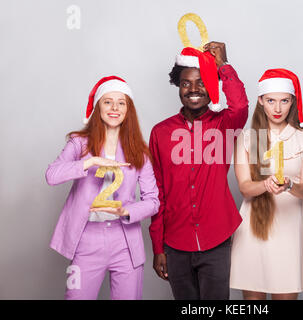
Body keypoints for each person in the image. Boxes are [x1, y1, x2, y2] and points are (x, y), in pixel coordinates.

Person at [149, 42, 249, 299]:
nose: (193, 89)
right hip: (175, 243)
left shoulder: (225, 123)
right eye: (186, 84)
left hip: (216, 239)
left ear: (212, 86)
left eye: (202, 81)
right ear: (178, 87)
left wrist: (222, 66)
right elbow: (156, 191)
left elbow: (239, 106)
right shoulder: (161, 132)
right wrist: (158, 246)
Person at [46, 76, 159, 299]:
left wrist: (127, 211)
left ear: (129, 109)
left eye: (121, 102)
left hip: (126, 242)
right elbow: (52, 175)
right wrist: (90, 162)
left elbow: (153, 201)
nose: (114, 108)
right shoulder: (79, 143)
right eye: (108, 102)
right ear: (98, 107)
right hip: (86, 240)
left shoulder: (140, 152)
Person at [230, 68, 303, 300]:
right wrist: (266, 185)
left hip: (290, 230)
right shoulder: (249, 138)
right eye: (271, 101)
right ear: (260, 101)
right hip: (254, 230)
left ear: (292, 102)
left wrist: (289, 185)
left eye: (284, 101)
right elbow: (245, 187)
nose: (277, 109)